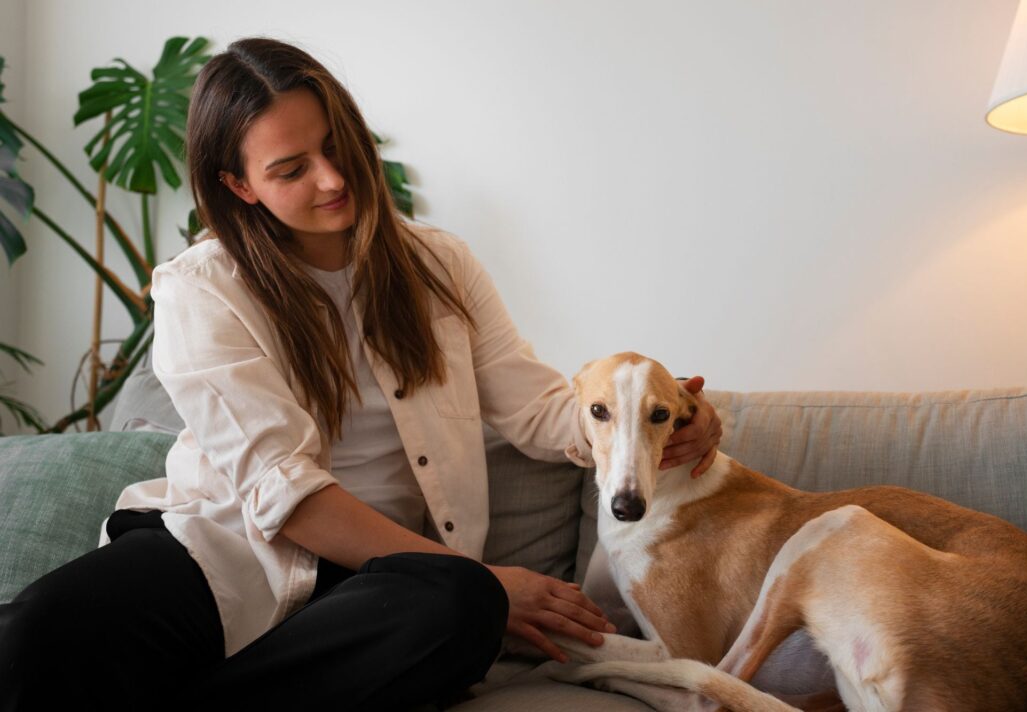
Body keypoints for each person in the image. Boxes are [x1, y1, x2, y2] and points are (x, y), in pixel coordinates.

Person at [0, 37, 722, 711]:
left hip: (390, 584)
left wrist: (663, 419)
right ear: (239, 185)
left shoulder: (440, 266)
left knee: (458, 612)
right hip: (221, 554)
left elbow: (540, 411)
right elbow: (287, 494)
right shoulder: (199, 288)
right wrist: (493, 579)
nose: (335, 178)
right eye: (291, 169)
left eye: (337, 144)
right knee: (34, 634)